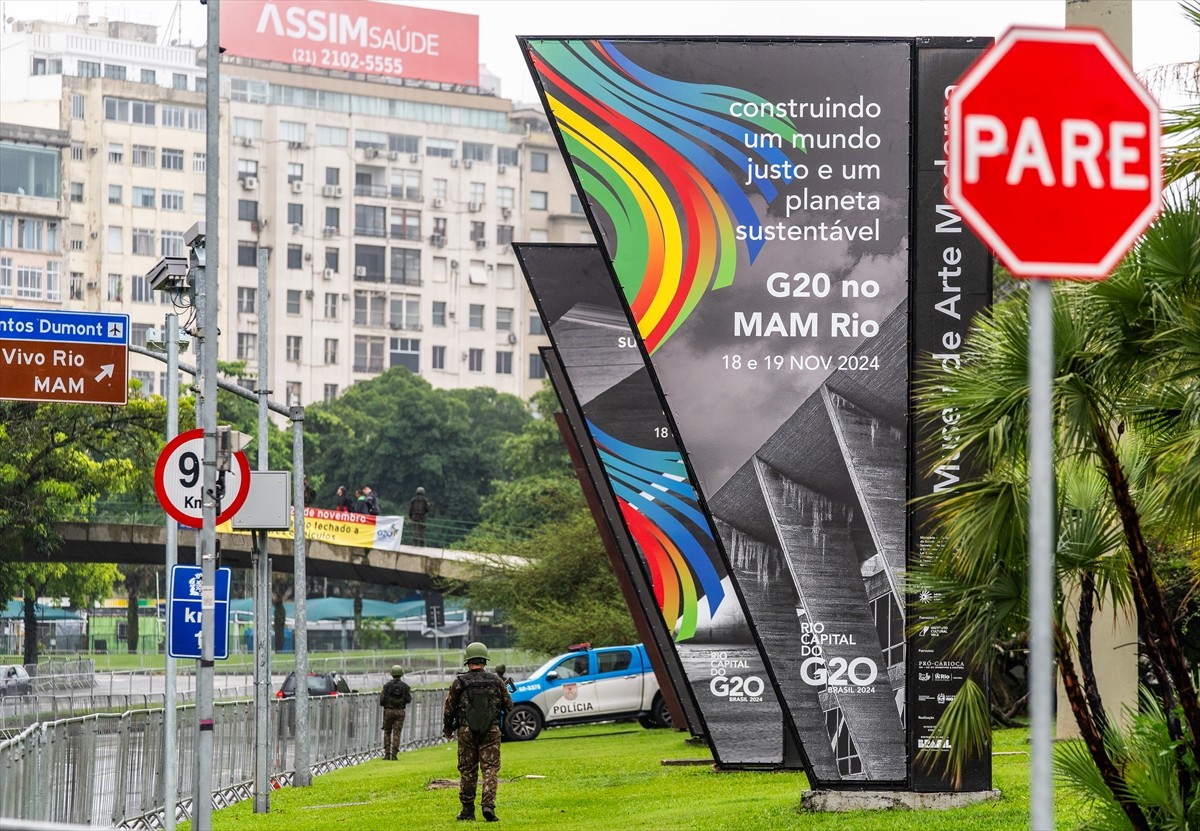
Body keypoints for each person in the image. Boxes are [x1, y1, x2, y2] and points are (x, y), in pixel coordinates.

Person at [443, 642, 512, 822]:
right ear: (484, 660)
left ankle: (467, 810)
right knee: (490, 769)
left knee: (468, 770)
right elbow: (509, 705)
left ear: (468, 661)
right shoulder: (496, 680)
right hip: (491, 730)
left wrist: (448, 728)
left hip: (466, 731)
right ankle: (488, 805)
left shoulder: (460, 682)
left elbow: (449, 708)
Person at [379, 665, 413, 761]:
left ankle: (387, 753)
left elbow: (382, 700)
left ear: (392, 674)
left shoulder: (386, 686)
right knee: (397, 733)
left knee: (387, 732)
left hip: (388, 711)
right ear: (401, 674)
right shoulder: (405, 687)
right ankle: (394, 754)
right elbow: (408, 699)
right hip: (400, 712)